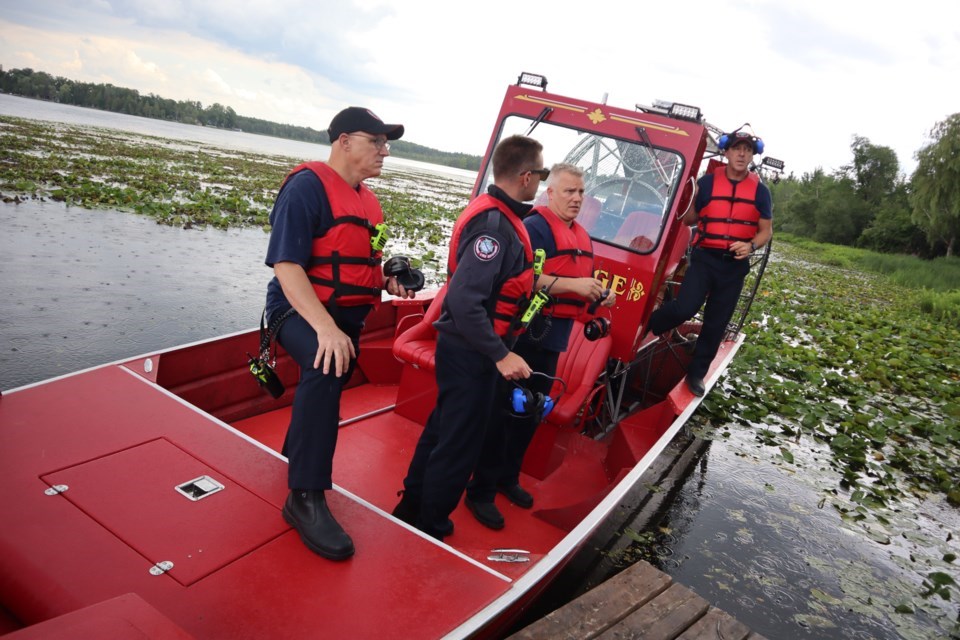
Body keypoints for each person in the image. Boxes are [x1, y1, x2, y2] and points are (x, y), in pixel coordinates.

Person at [264, 106, 413, 560]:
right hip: (293, 311)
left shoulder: (369, 201)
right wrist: (326, 330)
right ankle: (304, 496)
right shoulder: (306, 188)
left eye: (387, 144)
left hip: (342, 318)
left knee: (336, 360)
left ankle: (296, 446)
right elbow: (287, 267)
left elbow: (361, 260)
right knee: (327, 364)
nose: (385, 151)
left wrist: (389, 278)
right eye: (377, 142)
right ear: (344, 141)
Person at [393, 135, 545, 539]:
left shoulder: (500, 217)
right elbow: (463, 300)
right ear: (526, 176)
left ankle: (411, 506)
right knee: (459, 443)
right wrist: (500, 354)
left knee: (444, 428)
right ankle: (429, 524)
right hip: (472, 351)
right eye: (541, 176)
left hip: (469, 348)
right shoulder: (494, 226)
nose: (540, 184)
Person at [469, 163, 614, 515]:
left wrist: (597, 294)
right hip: (523, 335)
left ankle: (508, 478)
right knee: (505, 410)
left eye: (581, 192)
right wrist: (574, 286)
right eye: (569, 191)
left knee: (532, 410)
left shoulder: (580, 234)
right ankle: (481, 491)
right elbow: (520, 278)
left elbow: (577, 281)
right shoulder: (535, 227)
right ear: (550, 193)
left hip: (552, 339)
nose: (577, 198)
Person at [647, 130, 773, 397]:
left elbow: (766, 231)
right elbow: (688, 219)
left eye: (747, 150)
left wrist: (750, 246)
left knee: (716, 323)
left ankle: (696, 374)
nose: (741, 154)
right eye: (737, 148)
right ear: (726, 152)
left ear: (752, 155)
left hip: (734, 266)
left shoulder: (761, 192)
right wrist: (685, 198)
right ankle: (647, 326)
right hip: (705, 258)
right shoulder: (706, 184)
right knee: (685, 306)